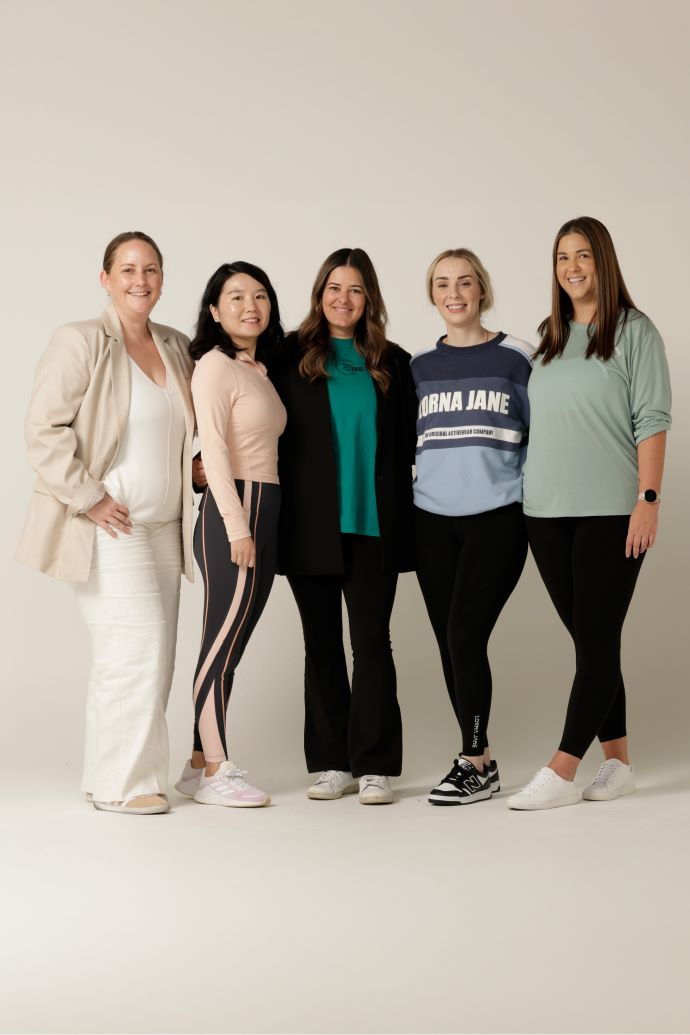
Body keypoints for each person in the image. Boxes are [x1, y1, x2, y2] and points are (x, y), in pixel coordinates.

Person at [17, 231, 196, 815]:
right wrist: (88, 497)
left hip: (164, 526)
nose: (139, 280)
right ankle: (127, 786)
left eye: (150, 269)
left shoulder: (176, 345)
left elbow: (184, 431)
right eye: (127, 269)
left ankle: (107, 775)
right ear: (105, 279)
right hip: (108, 526)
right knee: (134, 648)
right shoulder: (82, 340)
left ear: (162, 279)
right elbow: (43, 430)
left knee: (151, 654)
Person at [508, 216, 672, 810]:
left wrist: (647, 500)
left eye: (583, 256)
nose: (572, 268)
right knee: (590, 641)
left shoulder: (634, 331)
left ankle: (563, 766)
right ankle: (620, 764)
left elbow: (652, 420)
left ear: (604, 261)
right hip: (545, 512)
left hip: (610, 510)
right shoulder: (548, 336)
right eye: (562, 258)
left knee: (597, 638)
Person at [273, 247, 416, 805]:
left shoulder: (394, 362)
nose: (344, 299)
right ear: (319, 293)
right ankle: (332, 762)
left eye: (356, 290)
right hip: (309, 526)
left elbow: (408, 446)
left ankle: (375, 764)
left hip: (375, 527)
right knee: (322, 645)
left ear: (369, 298)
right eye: (335, 288)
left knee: (372, 644)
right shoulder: (288, 356)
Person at [411, 249, 534, 805]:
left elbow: (545, 439)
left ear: (482, 290)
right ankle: (476, 758)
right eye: (442, 284)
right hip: (432, 521)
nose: (453, 293)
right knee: (449, 642)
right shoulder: (419, 367)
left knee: (465, 634)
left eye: (464, 283)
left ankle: (475, 760)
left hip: (498, 517)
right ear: (432, 294)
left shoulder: (518, 359)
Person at [174, 262, 287, 809]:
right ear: (215, 310)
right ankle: (219, 768)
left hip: (265, 507)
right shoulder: (214, 366)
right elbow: (213, 451)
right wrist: (236, 527)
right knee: (220, 644)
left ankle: (197, 765)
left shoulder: (256, 369)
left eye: (260, 296)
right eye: (237, 296)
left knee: (228, 642)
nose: (251, 306)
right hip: (235, 510)